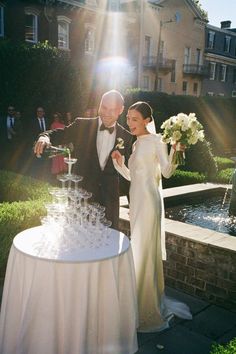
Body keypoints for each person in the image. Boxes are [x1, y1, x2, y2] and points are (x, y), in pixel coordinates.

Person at [112, 101, 192, 332]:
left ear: (147, 120)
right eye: (128, 118)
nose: (129, 123)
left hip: (149, 203)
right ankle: (136, 297)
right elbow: (132, 177)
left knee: (145, 250)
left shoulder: (157, 141)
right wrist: (119, 163)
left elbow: (166, 172)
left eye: (135, 119)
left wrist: (177, 150)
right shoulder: (136, 144)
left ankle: (146, 304)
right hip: (136, 202)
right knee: (138, 248)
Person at [34, 90, 133, 229]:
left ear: (121, 110)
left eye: (112, 110)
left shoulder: (126, 137)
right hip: (81, 200)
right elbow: (60, 133)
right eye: (104, 107)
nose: (106, 113)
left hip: (109, 203)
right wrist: (45, 136)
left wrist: (133, 205)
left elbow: (128, 175)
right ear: (99, 104)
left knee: (108, 246)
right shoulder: (82, 125)